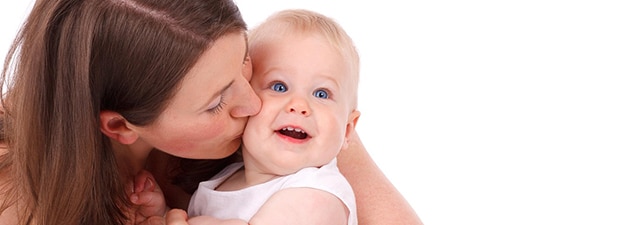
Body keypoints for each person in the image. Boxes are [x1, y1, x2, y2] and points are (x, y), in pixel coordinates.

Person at [0, 0, 423, 224]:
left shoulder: (296, 121)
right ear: (119, 126)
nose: (255, 102)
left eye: (244, 62)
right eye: (217, 102)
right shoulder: (19, 198)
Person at [138, 9, 360, 225]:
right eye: (279, 87)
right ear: (246, 100)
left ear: (348, 130)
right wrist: (165, 214)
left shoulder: (318, 194)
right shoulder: (224, 179)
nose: (299, 106)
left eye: (321, 94)